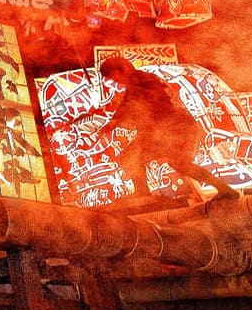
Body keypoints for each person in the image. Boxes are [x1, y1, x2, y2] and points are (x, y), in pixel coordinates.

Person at [98, 56, 237, 201]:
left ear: (123, 69)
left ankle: (143, 194)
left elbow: (130, 105)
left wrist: (113, 123)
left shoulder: (139, 80)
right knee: (138, 157)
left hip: (173, 128)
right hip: (171, 128)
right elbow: (133, 106)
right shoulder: (141, 80)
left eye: (115, 78)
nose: (117, 82)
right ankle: (224, 189)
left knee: (141, 157)